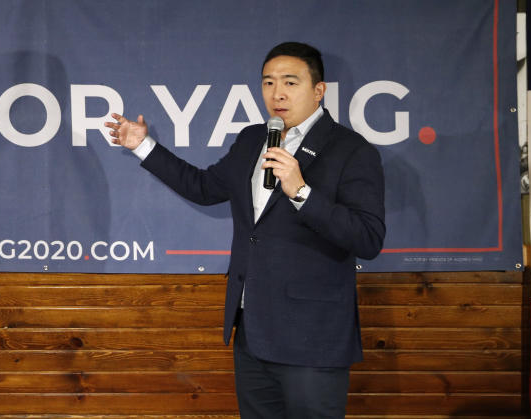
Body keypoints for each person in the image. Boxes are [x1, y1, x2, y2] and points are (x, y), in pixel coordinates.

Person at [105, 42, 385, 419]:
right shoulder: (253, 139)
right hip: (252, 334)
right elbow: (203, 188)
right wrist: (143, 146)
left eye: (290, 82)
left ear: (319, 91)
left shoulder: (351, 150)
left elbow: (368, 238)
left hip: (312, 339)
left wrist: (302, 192)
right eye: (268, 83)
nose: (277, 93)